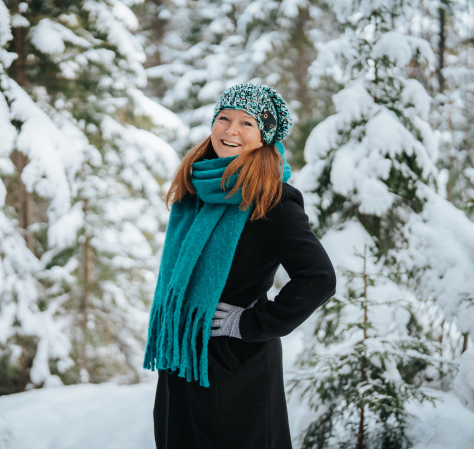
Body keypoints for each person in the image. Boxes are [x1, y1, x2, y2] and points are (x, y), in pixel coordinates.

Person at [143, 83, 336, 449]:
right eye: (224, 118)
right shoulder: (196, 188)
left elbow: (319, 278)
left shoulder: (273, 200)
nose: (231, 130)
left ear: (263, 137)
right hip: (182, 359)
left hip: (235, 368)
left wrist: (248, 323)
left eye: (247, 123)